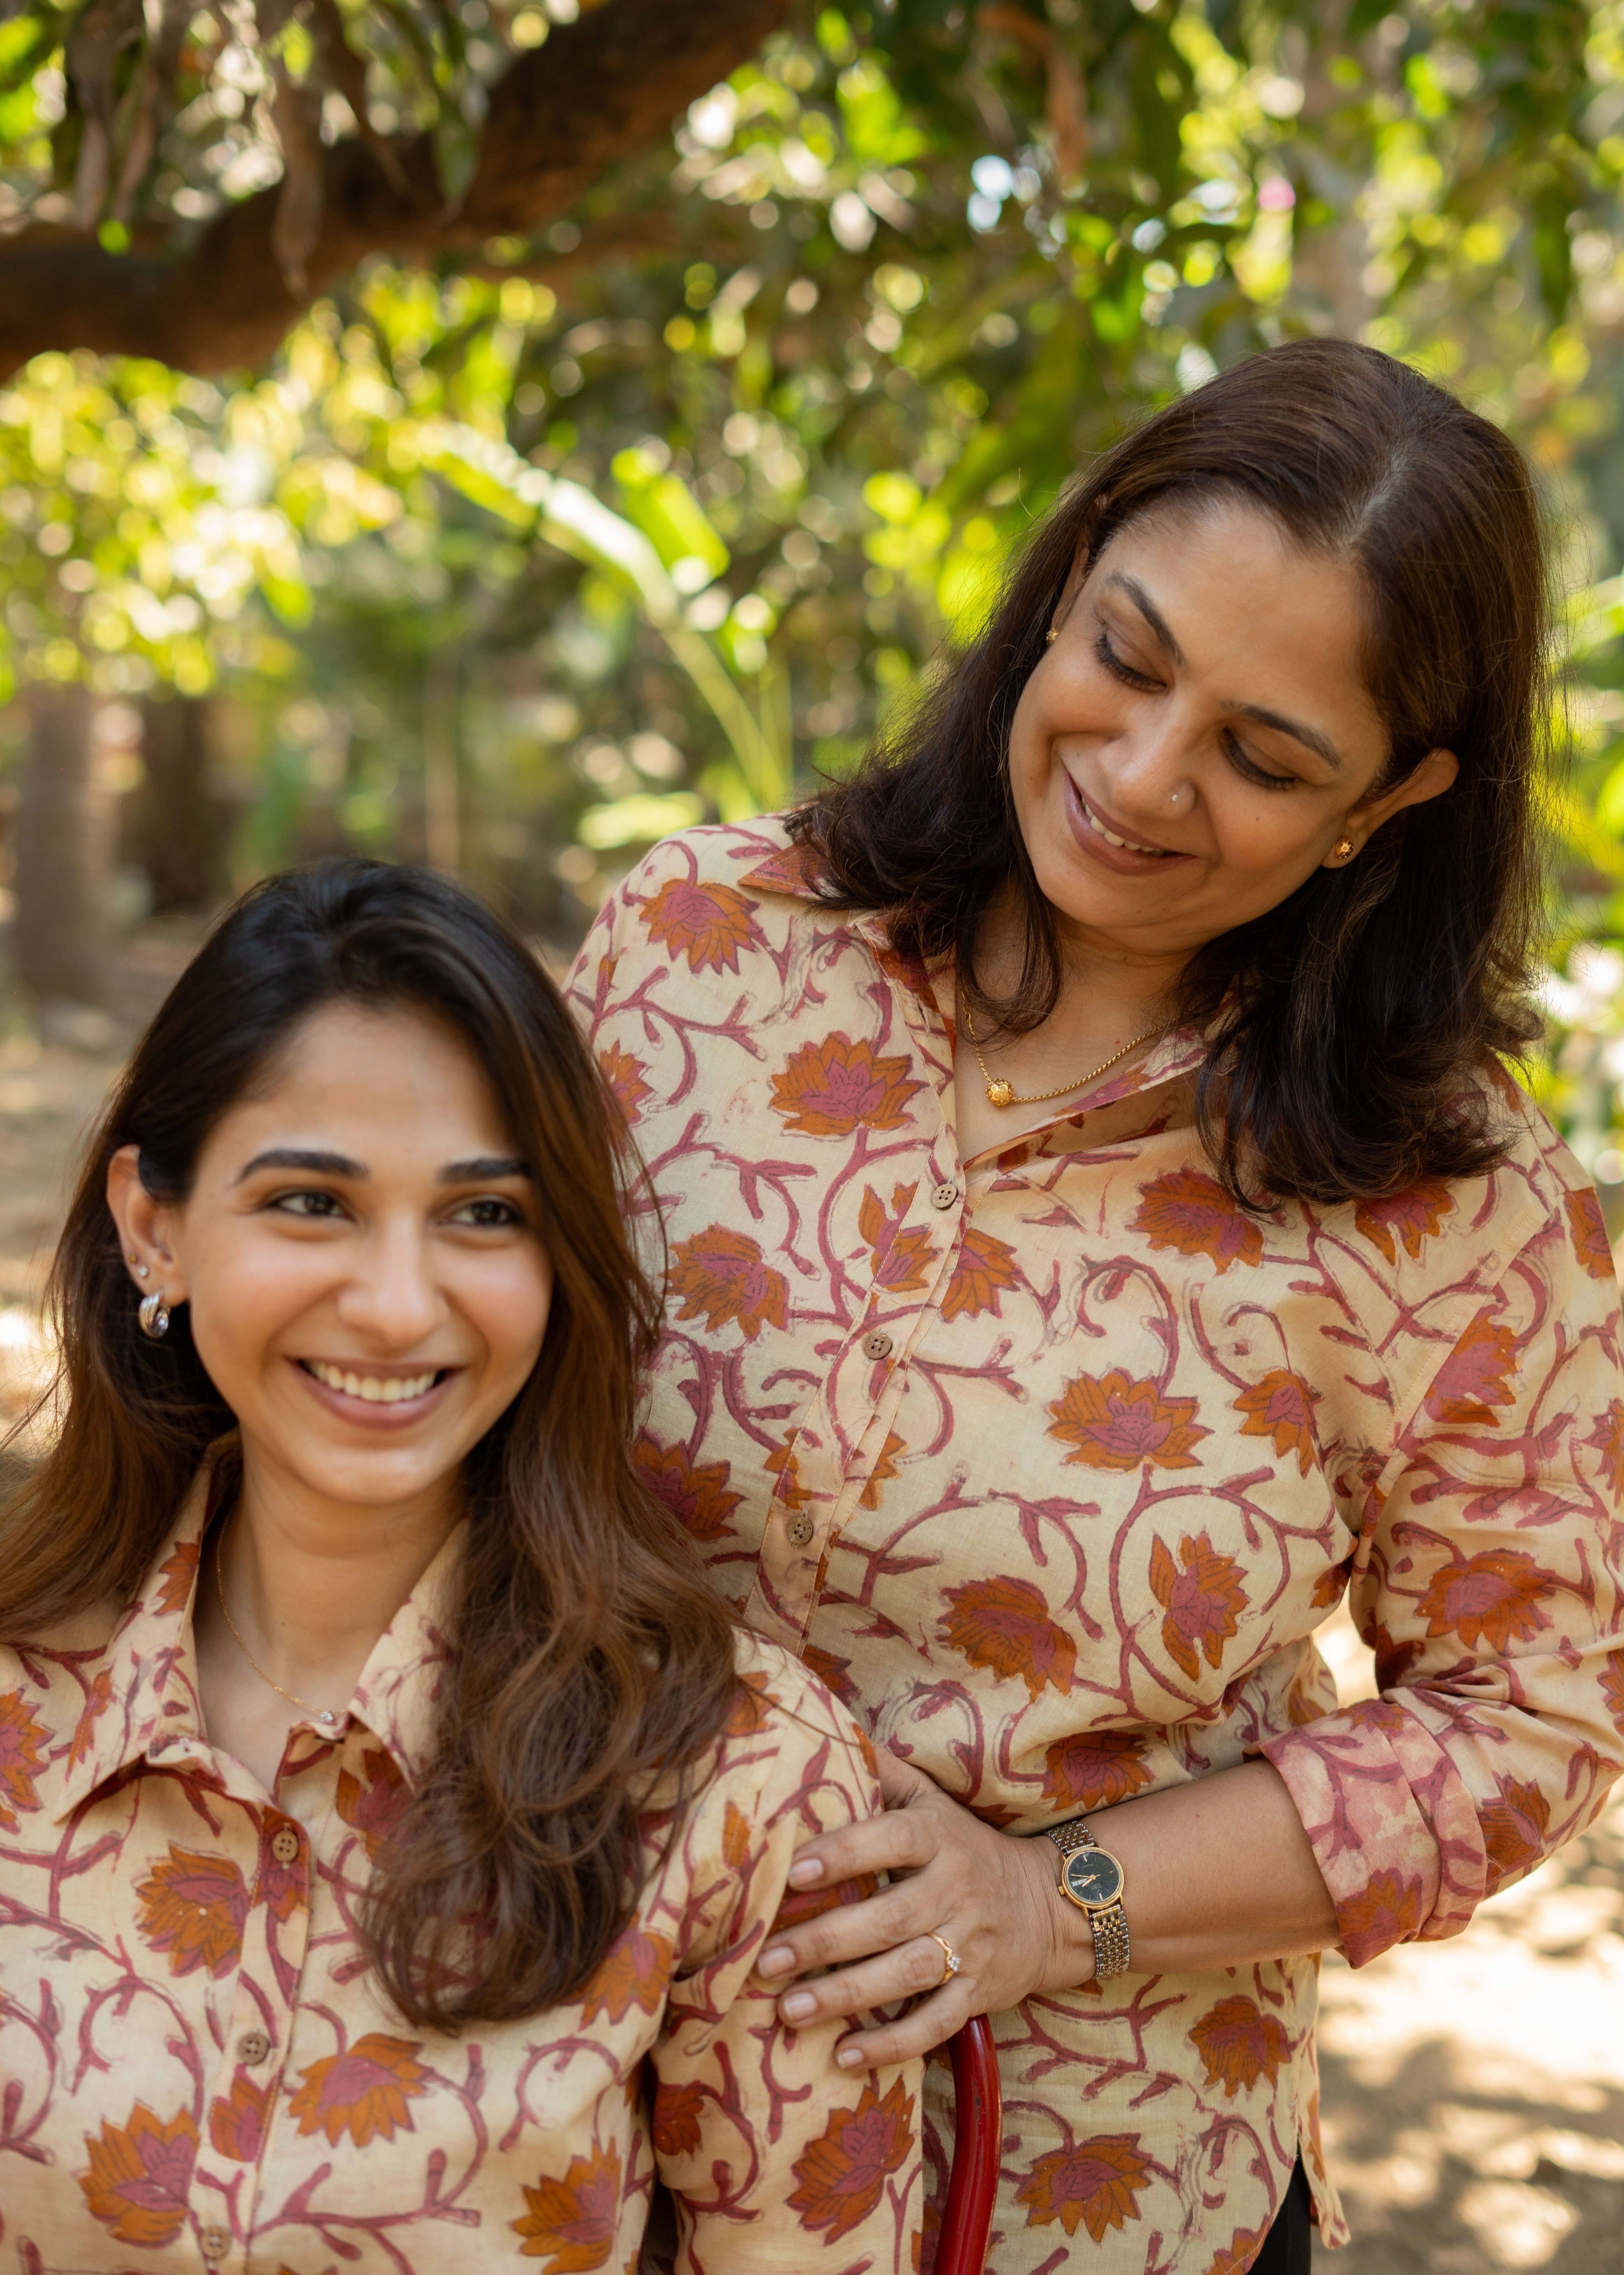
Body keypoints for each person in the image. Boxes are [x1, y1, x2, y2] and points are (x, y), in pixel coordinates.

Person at [570, 338, 1624, 2272]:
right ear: (1064, 586)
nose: (1142, 777)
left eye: (1266, 754)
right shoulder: (700, 943)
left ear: (1392, 800)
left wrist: (1047, 1901)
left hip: (1094, 2185)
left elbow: (1534, 1713)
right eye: (1128, 661)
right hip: (564, 2121)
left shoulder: (1458, 1210)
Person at [0, 862, 920, 2273]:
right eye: (311, 1202)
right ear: (154, 1227)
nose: (394, 1303)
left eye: (484, 1215)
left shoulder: (734, 1785)